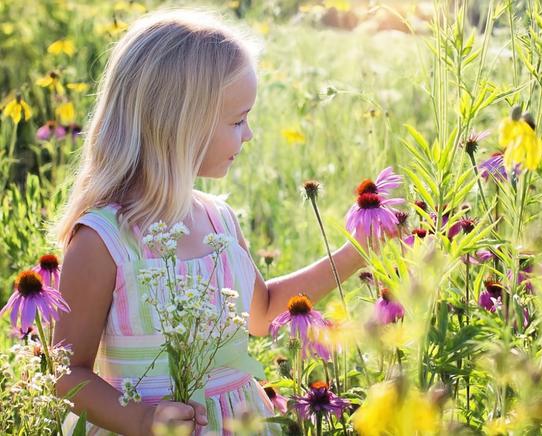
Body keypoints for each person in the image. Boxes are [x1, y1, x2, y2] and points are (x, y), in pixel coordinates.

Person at [51, 8, 367, 436]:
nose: (250, 135)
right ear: (180, 125)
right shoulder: (104, 240)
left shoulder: (219, 219)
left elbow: (264, 313)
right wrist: (141, 418)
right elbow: (66, 373)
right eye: (238, 120)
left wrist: (358, 251)